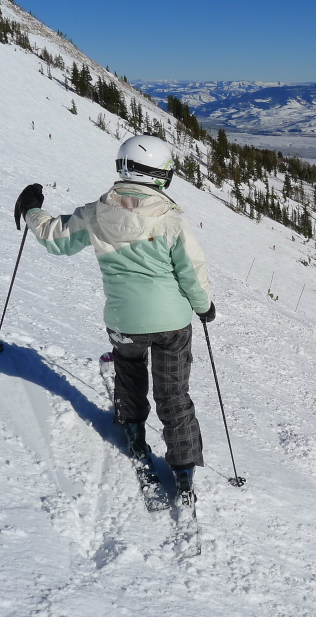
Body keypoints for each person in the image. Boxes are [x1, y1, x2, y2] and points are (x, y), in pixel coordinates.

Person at [13, 135, 214, 499]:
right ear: (161, 176)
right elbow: (192, 271)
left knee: (129, 371)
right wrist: (203, 307)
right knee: (174, 393)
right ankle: (183, 470)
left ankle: (133, 428)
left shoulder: (96, 213)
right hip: (172, 323)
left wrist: (31, 209)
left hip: (124, 320)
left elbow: (55, 238)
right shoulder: (171, 220)